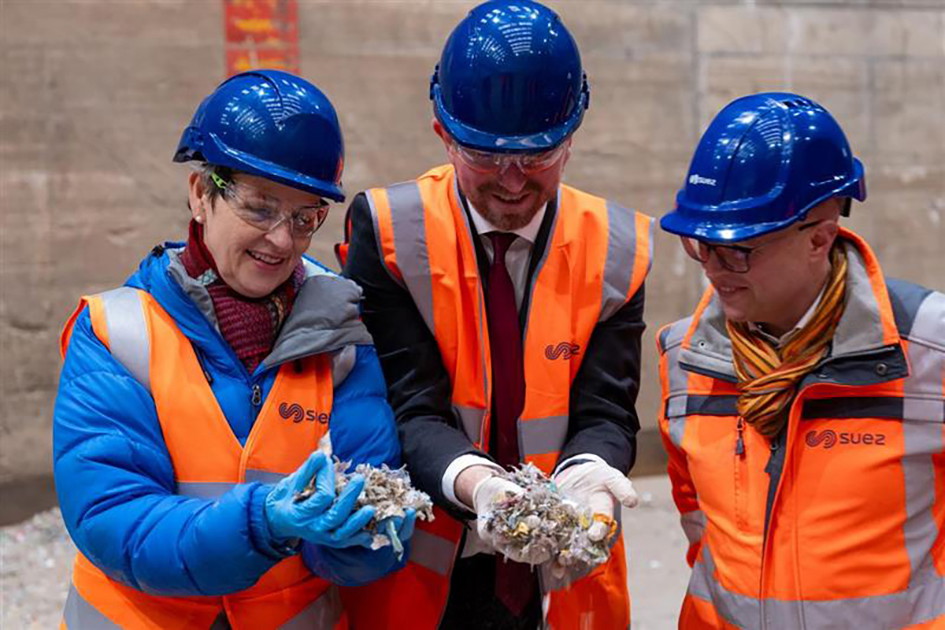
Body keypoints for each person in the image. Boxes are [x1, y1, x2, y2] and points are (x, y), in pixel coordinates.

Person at [53, 69, 415, 629]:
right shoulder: (117, 333)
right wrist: (261, 523)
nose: (282, 240)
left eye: (304, 217)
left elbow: (377, 509)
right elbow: (113, 517)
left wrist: (362, 534)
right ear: (201, 194)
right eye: (261, 207)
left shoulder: (339, 334)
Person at [337, 1, 653, 627]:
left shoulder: (618, 247)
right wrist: (481, 489)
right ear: (443, 134)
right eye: (484, 156)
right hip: (432, 565)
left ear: (572, 138)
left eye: (536, 157)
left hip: (561, 572)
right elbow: (408, 403)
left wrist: (589, 475)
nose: (512, 182)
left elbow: (607, 408)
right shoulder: (394, 231)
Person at [657, 92, 945, 628]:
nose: (714, 269)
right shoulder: (685, 356)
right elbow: (700, 525)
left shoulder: (930, 354)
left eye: (740, 248)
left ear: (819, 237)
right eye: (701, 244)